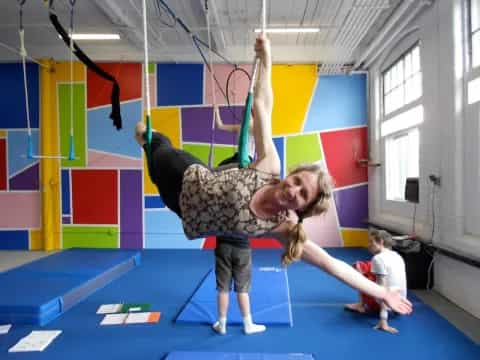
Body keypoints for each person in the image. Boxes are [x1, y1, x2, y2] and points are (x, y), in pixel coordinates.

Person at [134, 34, 413, 316]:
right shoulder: (269, 167)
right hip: (185, 173)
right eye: (297, 181)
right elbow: (262, 108)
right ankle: (150, 137)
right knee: (146, 137)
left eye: (303, 195)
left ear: (303, 208)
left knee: (152, 169)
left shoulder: (284, 228)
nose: (293, 190)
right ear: (291, 174)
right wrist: (266, 60)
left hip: (180, 208)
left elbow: (331, 264)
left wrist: (380, 291)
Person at [345, 230, 407, 334]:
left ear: (381, 242)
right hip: (400, 303)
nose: (368, 245)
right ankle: (363, 304)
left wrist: (383, 320)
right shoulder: (398, 256)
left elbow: (381, 290)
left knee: (358, 272)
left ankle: (360, 304)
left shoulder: (378, 258)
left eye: (371, 242)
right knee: (363, 266)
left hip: (385, 304)